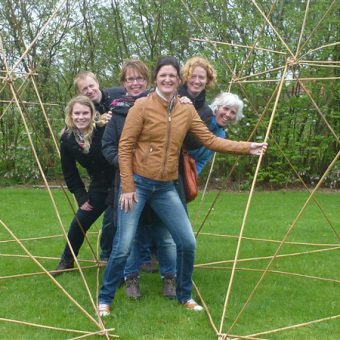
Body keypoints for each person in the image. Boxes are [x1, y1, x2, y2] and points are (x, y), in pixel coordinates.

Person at [97, 56, 267, 316]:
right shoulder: (141, 106)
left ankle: (184, 295)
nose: (167, 79)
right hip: (138, 185)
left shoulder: (185, 110)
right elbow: (125, 145)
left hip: (166, 187)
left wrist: (247, 148)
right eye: (163, 75)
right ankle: (105, 299)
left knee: (187, 242)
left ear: (179, 80)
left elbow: (209, 139)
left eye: (172, 76)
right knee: (122, 245)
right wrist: (128, 186)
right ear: (157, 78)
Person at [101, 60, 177, 299]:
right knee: (129, 234)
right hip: (128, 183)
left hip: (158, 181)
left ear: (147, 80)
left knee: (164, 233)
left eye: (139, 79)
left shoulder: (164, 105)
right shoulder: (118, 113)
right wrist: (129, 166)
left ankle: (170, 278)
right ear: (124, 84)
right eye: (130, 79)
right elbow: (109, 147)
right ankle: (131, 277)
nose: (135, 83)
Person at [52, 96, 114, 276]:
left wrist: (116, 191)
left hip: (119, 183)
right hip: (98, 186)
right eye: (77, 113)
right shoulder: (68, 139)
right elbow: (69, 172)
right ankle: (67, 259)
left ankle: (121, 267)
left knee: (114, 225)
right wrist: (81, 196)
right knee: (79, 221)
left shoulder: (104, 130)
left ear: (92, 113)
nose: (81, 117)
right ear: (70, 115)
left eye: (85, 113)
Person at [73, 71, 124, 261]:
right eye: (84, 89)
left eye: (91, 86)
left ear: (97, 83)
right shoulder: (85, 110)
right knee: (101, 218)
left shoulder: (117, 94)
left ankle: (118, 255)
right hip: (103, 175)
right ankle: (104, 255)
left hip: (123, 167)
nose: (89, 90)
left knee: (116, 218)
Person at [189, 92, 245, 174]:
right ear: (217, 107)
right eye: (225, 108)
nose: (228, 114)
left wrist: (192, 177)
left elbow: (203, 159)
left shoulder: (221, 134)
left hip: (188, 169)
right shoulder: (202, 118)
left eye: (233, 112)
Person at [179, 56, 217, 151]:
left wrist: (189, 114)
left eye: (201, 77)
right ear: (186, 78)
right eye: (193, 76)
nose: (196, 81)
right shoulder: (172, 97)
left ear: (207, 80)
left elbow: (195, 144)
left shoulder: (207, 112)